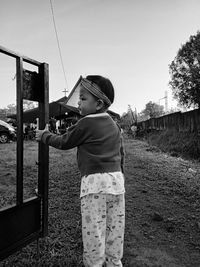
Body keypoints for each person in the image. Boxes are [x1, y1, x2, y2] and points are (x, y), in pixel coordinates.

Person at [36, 75, 125, 267]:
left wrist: (45, 136)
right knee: (114, 229)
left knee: (94, 229)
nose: (78, 102)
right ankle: (114, 262)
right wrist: (121, 176)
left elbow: (64, 141)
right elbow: (121, 154)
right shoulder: (115, 125)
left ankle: (94, 264)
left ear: (99, 104)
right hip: (117, 184)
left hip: (94, 185)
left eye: (83, 99)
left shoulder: (86, 122)